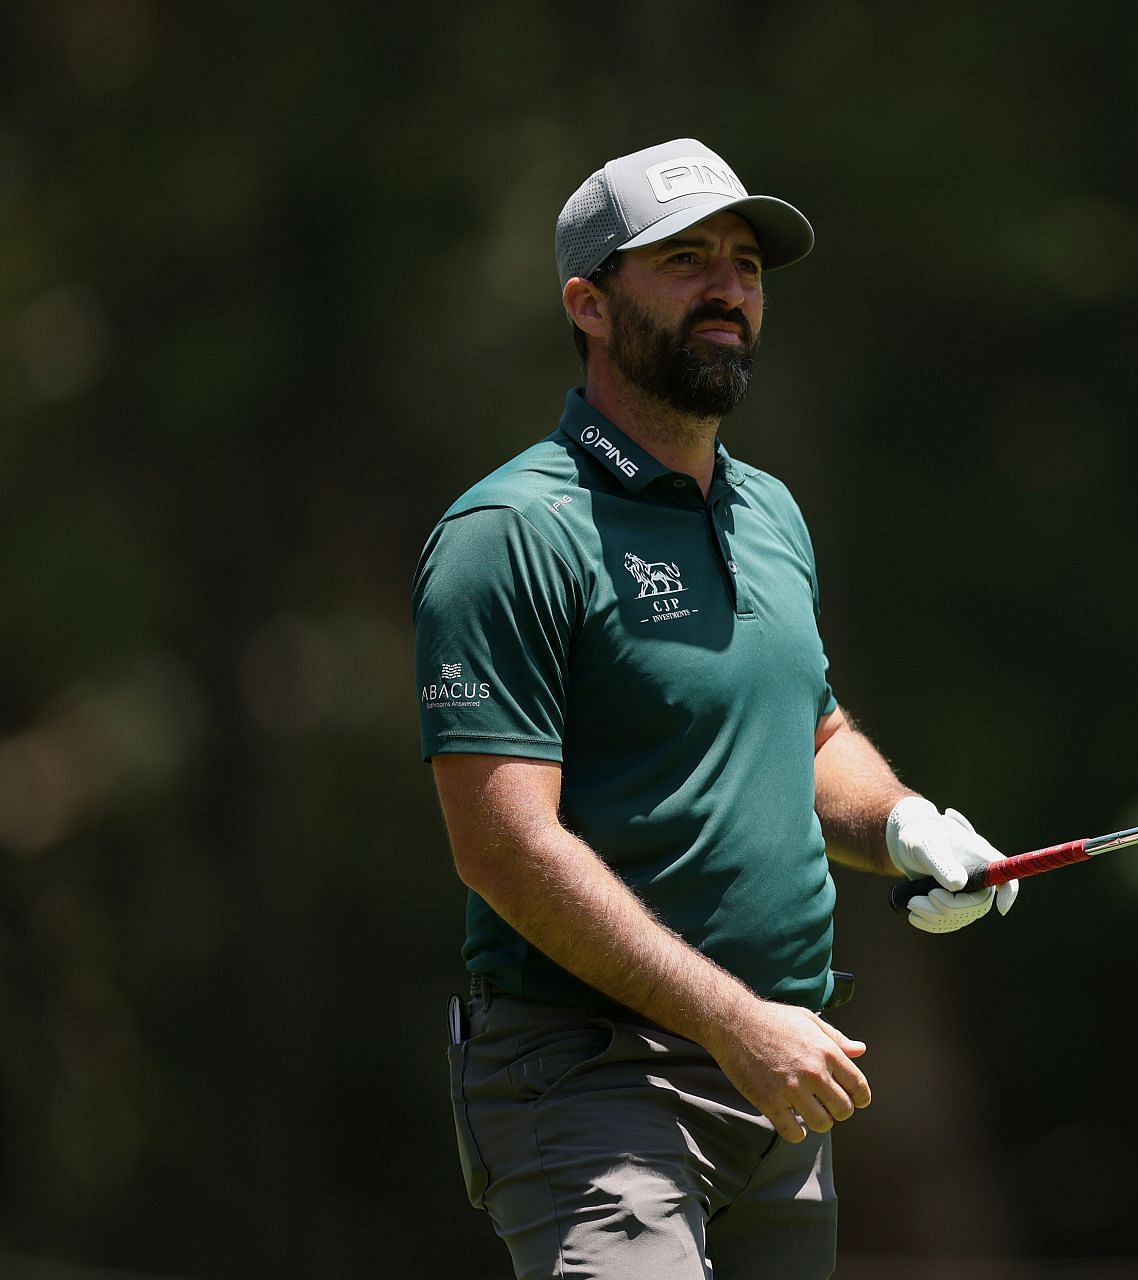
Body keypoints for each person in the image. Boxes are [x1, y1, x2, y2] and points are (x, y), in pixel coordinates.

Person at [410, 138, 1021, 1279]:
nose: (728, 287)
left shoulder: (767, 510)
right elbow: (503, 845)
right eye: (684, 260)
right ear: (588, 304)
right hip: (596, 1078)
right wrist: (736, 1019)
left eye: (745, 263)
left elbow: (812, 733)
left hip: (780, 1089)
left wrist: (902, 823)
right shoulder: (511, 534)